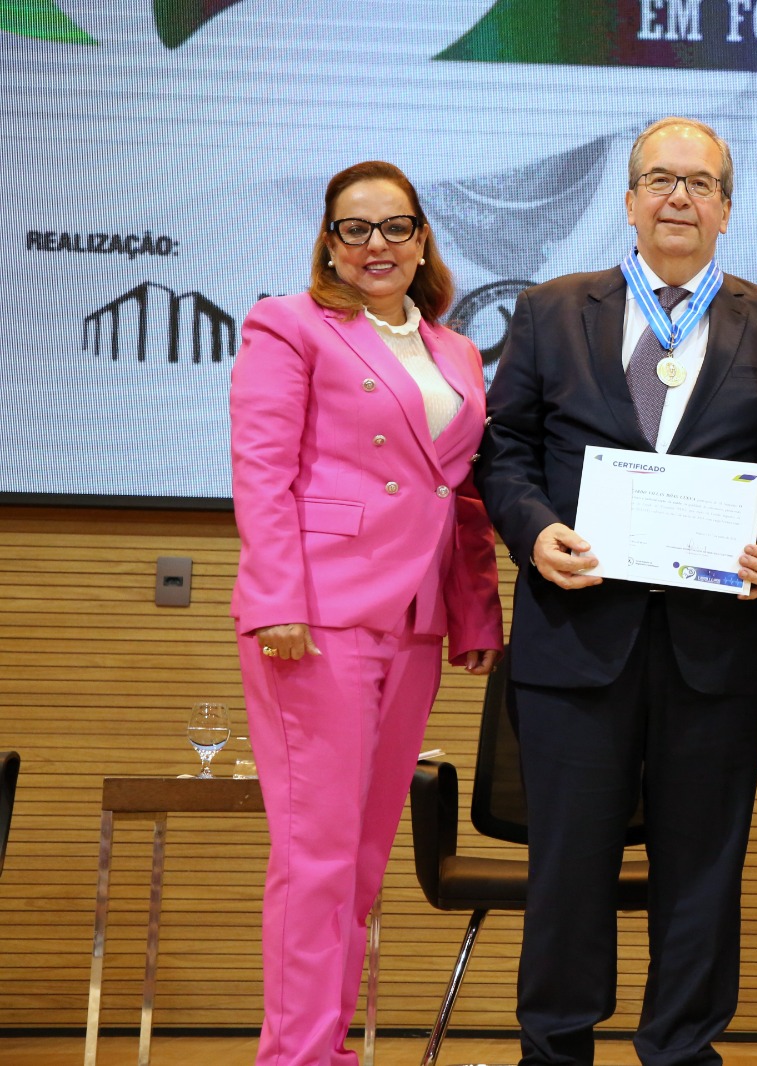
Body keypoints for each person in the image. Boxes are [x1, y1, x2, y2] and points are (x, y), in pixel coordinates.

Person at [474, 116, 757, 1066]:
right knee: (569, 865)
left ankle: (680, 1051)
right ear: (628, 202)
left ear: (726, 209)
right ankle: (555, 1048)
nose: (678, 197)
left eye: (700, 183)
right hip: (577, 636)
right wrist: (535, 532)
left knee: (703, 872)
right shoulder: (551, 309)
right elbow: (504, 451)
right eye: (660, 179)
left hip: (722, 645)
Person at [230, 160, 504, 1066]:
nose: (377, 244)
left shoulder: (456, 351)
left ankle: (327, 1047)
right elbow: (262, 472)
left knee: (361, 856)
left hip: (413, 621)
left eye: (395, 227)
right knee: (314, 858)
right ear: (330, 245)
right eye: (356, 228)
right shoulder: (289, 325)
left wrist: (473, 611)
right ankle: (297, 1056)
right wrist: (276, 599)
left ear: (423, 239)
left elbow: (457, 494)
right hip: (315, 615)